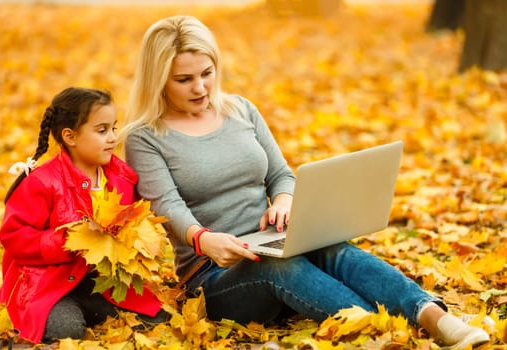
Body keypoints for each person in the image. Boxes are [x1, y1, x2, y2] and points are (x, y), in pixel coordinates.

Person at [121, 15, 491, 349]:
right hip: (213, 275)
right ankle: (389, 333)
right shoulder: (145, 137)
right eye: (184, 79)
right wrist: (203, 240)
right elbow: (167, 206)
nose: (200, 88)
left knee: (333, 249)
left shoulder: (241, 110)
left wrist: (283, 201)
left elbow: (281, 175)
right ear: (159, 80)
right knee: (281, 266)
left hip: (271, 242)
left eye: (207, 72)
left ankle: (436, 318)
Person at [0, 87, 168, 344]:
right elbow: (14, 236)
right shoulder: (42, 183)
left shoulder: (120, 178)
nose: (112, 137)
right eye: (102, 131)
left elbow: (129, 222)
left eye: (113, 128)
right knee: (66, 330)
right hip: (49, 284)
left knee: (154, 318)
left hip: (100, 282)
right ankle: (69, 313)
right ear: (70, 136)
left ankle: (93, 308)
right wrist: (67, 240)